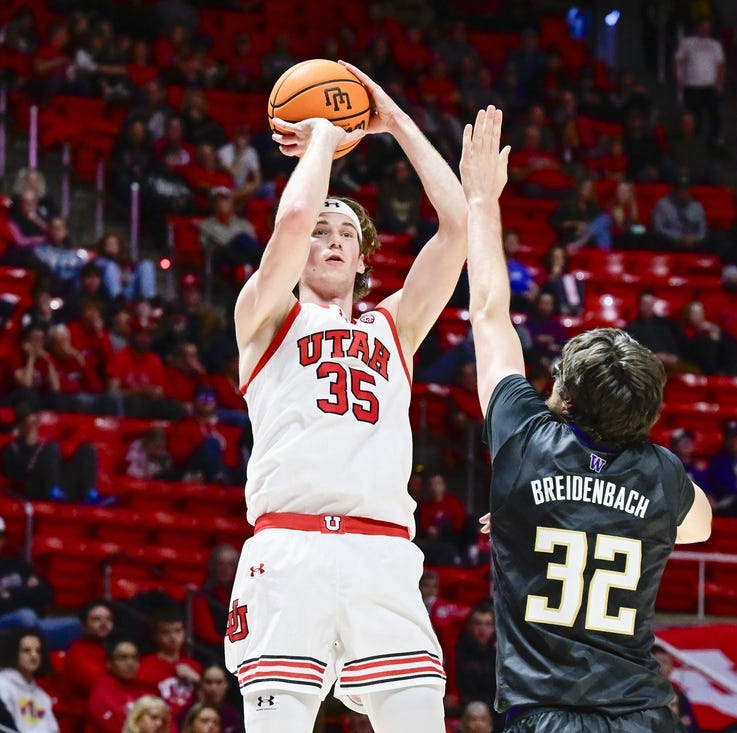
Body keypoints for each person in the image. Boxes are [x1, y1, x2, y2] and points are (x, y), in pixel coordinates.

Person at [226, 61, 465, 732]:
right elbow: (298, 211)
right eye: (320, 235)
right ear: (296, 253)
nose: (329, 239)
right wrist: (327, 135)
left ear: (364, 261)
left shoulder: (397, 326)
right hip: (289, 548)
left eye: (347, 235)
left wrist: (395, 121)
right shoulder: (264, 315)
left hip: (383, 552)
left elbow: (457, 228)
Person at [459, 106, 712, 731]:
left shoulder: (524, 437)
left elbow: (490, 312)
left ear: (564, 397)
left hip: (542, 714)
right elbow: (699, 527)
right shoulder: (663, 474)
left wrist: (483, 200)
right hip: (638, 714)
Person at [0, 512, 82, 649]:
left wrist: (8, 595)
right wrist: (26, 592)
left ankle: (36, 648)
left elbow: (46, 594)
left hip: (36, 622)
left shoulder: (16, 564)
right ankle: (37, 647)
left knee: (77, 625)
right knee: (26, 616)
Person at [0, 629, 60, 733]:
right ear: (12, 653)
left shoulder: (40, 694)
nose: (34, 655)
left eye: (38, 651)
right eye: (26, 650)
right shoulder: (0, 686)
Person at [137, 608, 202, 719]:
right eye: (166, 632)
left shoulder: (194, 666)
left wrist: (197, 679)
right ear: (155, 636)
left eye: (177, 631)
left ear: (184, 633)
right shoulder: (144, 666)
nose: (172, 637)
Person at [675, 19, 725, 145]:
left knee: (714, 113)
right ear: (698, 27)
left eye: (707, 27)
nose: (705, 29)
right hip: (691, 85)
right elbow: (677, 61)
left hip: (709, 85)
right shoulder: (687, 42)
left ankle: (715, 138)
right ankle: (695, 140)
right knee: (694, 114)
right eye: (702, 26)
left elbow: (720, 65)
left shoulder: (715, 44)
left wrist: (720, 82)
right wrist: (678, 78)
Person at [87, 640, 153, 733]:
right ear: (108, 663)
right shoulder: (101, 694)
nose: (130, 663)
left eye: (134, 657)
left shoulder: (144, 686)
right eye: (123, 658)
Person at [63, 601, 115, 700]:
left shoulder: (110, 648)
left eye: (109, 619)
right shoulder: (77, 651)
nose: (104, 623)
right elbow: (97, 685)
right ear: (83, 626)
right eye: (96, 619)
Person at [454, 601, 497, 711]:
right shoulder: (459, 647)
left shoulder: (502, 650)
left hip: (496, 706)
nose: (482, 629)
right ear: (469, 626)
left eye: (488, 624)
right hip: (466, 704)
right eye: (478, 623)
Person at [651, 647, 699, 733]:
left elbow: (692, 727)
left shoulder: (679, 696)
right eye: (656, 661)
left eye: (664, 662)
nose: (660, 665)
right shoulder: (636, 693)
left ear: (671, 667)